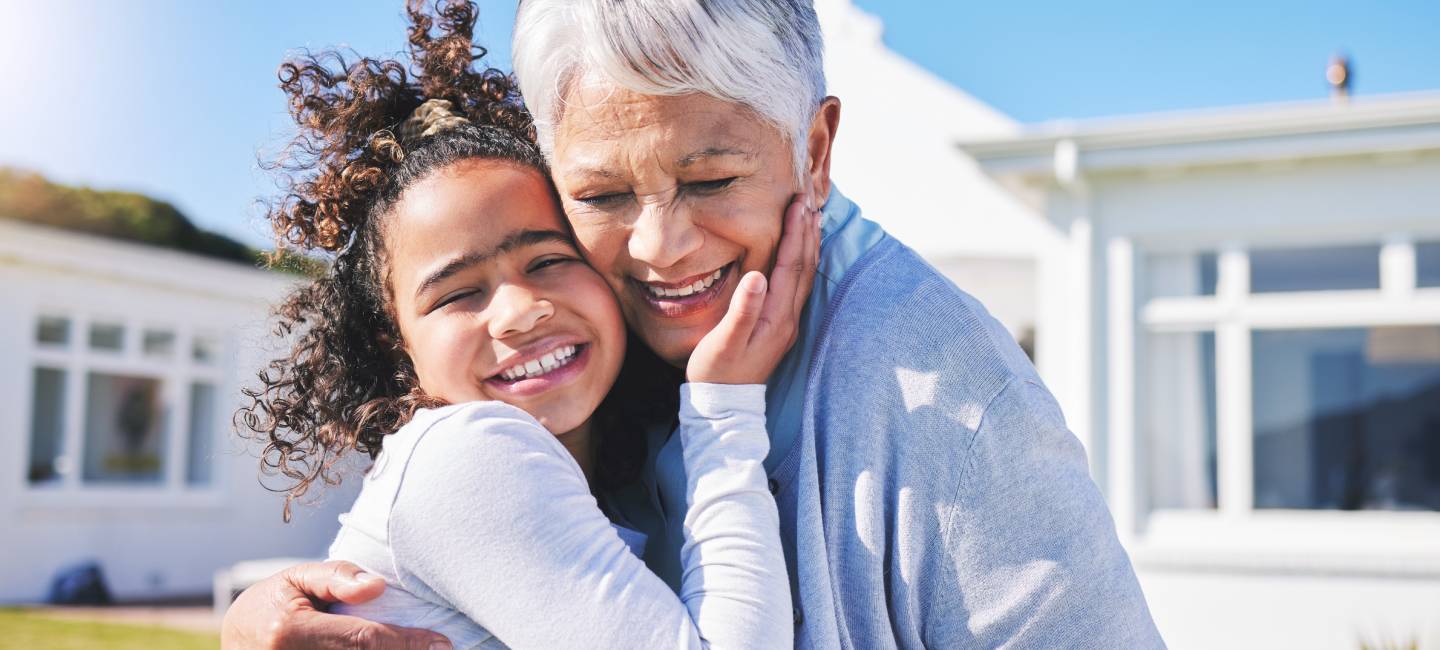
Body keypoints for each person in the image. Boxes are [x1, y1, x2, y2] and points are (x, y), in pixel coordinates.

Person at [225, 0, 1166, 647]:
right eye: (600, 193)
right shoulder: (593, 364)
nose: (664, 246)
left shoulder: (950, 398)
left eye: (712, 179)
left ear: (816, 148)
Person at [228, 3, 817, 647]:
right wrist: (725, 409)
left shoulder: (606, 470)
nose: (519, 310)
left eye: (547, 260)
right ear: (395, 340)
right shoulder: (470, 454)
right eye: (457, 294)